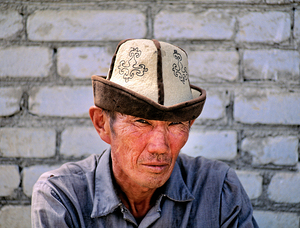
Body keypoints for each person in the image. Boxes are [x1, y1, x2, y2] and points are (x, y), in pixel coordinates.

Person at [31, 39, 259, 227]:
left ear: (190, 125)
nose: (160, 147)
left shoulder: (220, 190)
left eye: (175, 123)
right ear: (102, 124)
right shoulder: (62, 197)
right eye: (141, 121)